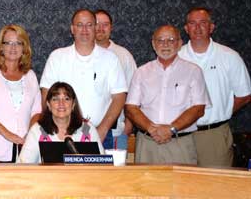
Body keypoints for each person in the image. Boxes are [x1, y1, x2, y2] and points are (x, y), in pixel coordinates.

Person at [40, 9, 127, 145]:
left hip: (101, 134)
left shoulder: (110, 59)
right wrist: (57, 130)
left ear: (95, 27)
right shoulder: (57, 57)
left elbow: (119, 96)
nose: (84, 30)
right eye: (80, 25)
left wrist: (103, 129)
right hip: (63, 135)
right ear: (72, 29)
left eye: (89, 25)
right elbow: (46, 95)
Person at [125, 25, 210, 165]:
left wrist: (171, 129)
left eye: (171, 40)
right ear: (153, 44)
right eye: (160, 40)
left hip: (180, 143)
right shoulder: (141, 72)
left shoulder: (193, 71)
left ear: (180, 43)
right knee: (145, 186)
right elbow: (131, 107)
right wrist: (151, 129)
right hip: (147, 144)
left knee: (183, 186)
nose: (165, 44)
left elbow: (198, 108)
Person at [178, 7, 251, 167]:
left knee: (216, 186)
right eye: (192, 23)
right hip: (181, 135)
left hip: (214, 135)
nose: (197, 27)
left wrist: (222, 111)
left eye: (203, 23)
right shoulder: (176, 56)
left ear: (211, 27)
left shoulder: (230, 57)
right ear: (186, 28)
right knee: (182, 186)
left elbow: (245, 95)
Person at [0, 24, 41, 162]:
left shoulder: (30, 75)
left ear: (24, 48)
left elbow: (36, 111)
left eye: (18, 43)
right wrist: (8, 135)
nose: (13, 47)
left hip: (24, 150)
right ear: (1, 47)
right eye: (8, 43)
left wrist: (30, 135)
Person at [18, 82, 105, 163]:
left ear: (73, 104)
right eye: (55, 99)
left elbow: (103, 165)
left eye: (66, 99)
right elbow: (23, 165)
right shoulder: (37, 130)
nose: (61, 103)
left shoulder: (88, 129)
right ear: (48, 104)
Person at [94, 9, 138, 150]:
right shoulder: (78, 55)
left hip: (118, 131)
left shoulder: (124, 55)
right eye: (96, 23)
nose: (100, 28)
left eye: (105, 24)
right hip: (84, 130)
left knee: (117, 170)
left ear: (111, 28)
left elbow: (134, 94)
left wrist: (129, 126)